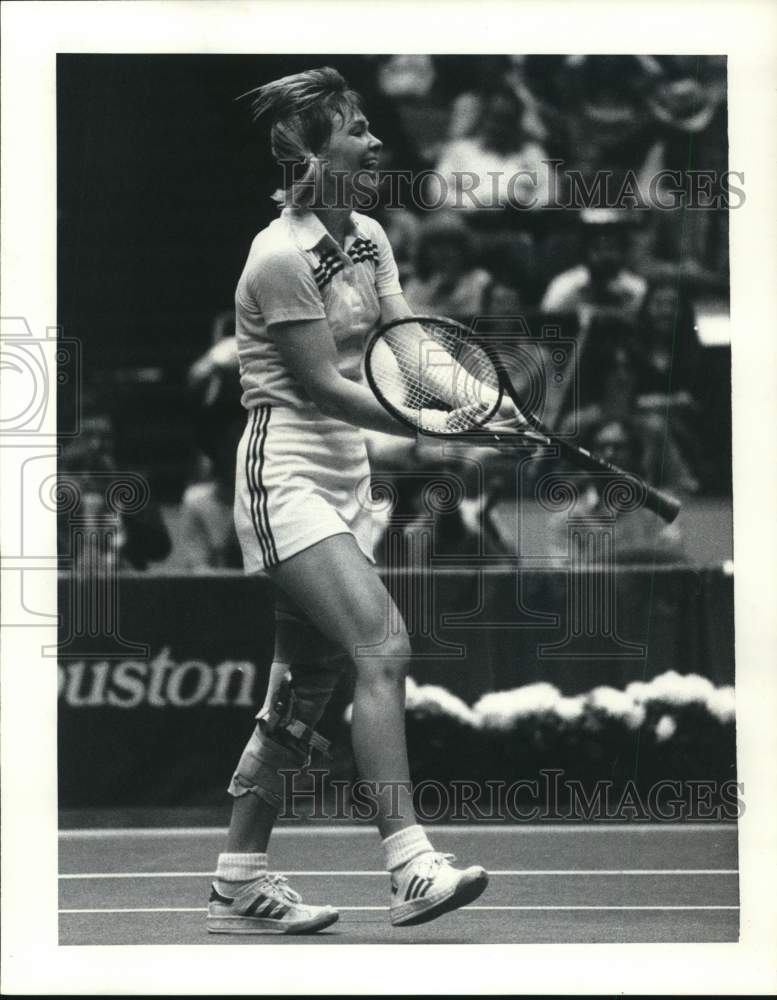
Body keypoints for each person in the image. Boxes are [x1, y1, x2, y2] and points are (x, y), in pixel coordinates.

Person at [208, 67, 525, 937]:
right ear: (313, 152)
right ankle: (411, 864)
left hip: (348, 476)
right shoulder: (277, 255)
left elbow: (410, 346)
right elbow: (321, 388)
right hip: (286, 473)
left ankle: (238, 882)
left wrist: (488, 405)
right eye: (355, 129)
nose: (376, 141)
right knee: (382, 644)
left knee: (306, 686)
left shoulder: (373, 238)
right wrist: (445, 433)